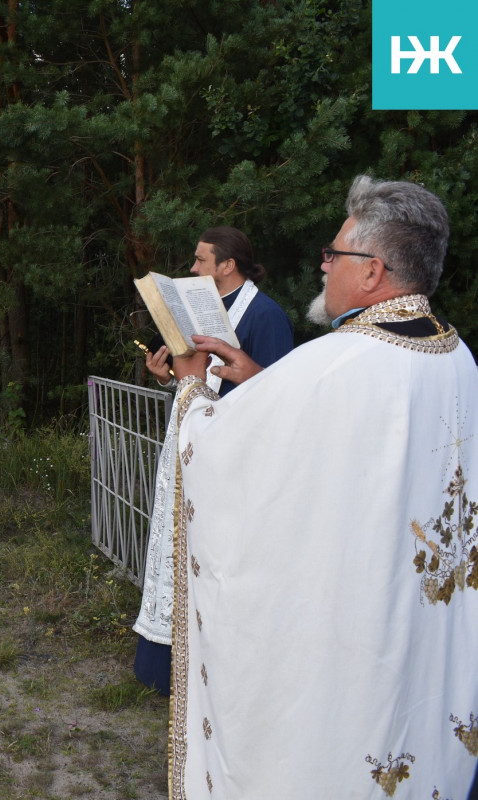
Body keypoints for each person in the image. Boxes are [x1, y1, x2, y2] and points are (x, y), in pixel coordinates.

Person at [164, 176, 478, 798]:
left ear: (373, 271)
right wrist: (255, 377)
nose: (324, 264)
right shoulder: (456, 354)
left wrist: (192, 385)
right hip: (415, 617)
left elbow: (220, 452)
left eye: (335, 254)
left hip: (348, 638)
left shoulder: (339, 362)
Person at [132, 227, 293, 695]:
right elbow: (197, 382)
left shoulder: (266, 316)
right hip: (194, 450)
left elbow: (278, 396)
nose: (193, 269)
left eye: (201, 261)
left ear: (228, 265)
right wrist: (168, 378)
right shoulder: (195, 313)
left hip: (235, 462)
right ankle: (165, 666)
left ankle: (215, 677)